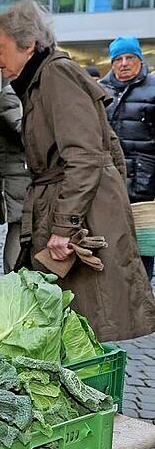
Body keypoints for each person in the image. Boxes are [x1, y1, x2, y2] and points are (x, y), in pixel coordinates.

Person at [0, 0, 155, 341]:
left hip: (81, 213)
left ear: (27, 45)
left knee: (84, 320)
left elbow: (85, 155)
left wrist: (65, 227)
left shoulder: (56, 75)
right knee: (69, 320)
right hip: (66, 204)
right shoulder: (41, 78)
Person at [98, 36, 155, 280]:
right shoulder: (101, 89)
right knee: (112, 250)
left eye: (129, 57)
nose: (123, 63)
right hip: (110, 184)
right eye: (118, 59)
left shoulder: (152, 88)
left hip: (145, 185)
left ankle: (143, 297)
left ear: (139, 59)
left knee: (144, 249)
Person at [0, 84, 31, 273]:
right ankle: (12, 279)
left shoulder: (23, 91)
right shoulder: (11, 94)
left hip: (22, 173)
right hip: (17, 175)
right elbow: (24, 130)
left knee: (25, 228)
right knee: (18, 228)